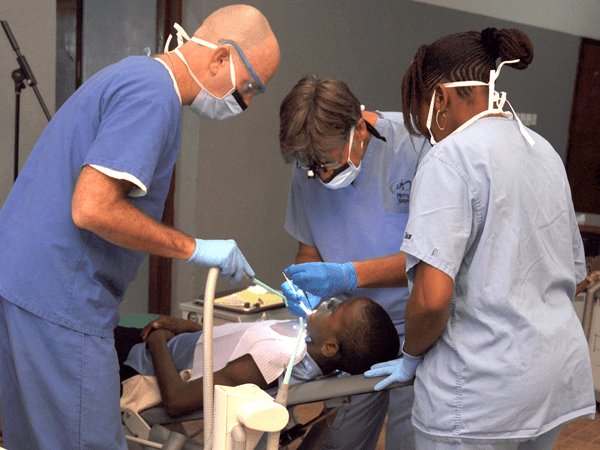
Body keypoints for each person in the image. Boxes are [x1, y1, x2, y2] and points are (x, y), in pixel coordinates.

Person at [0, 5, 280, 449]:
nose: (243, 104)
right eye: (249, 88)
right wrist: (194, 248)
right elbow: (92, 208)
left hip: (22, 288)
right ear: (221, 58)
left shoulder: (134, 75)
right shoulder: (154, 96)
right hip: (61, 302)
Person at [365, 27, 596, 449]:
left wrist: (412, 355)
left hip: (478, 396)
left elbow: (432, 298)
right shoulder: (544, 152)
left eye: (423, 109)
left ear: (441, 96)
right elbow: (574, 274)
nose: (427, 127)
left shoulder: (449, 158)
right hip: (551, 382)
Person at [278, 75, 430, 450]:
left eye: (329, 162)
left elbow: (433, 261)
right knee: (338, 439)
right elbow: (309, 249)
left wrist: (348, 274)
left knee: (409, 441)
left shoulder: (416, 148)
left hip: (422, 328)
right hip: (355, 336)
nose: (322, 175)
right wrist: (303, 296)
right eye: (313, 166)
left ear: (359, 129)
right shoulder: (307, 171)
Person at [115, 296, 399, 417]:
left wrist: (157, 341)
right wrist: (192, 329)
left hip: (139, 363)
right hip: (173, 343)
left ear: (331, 348)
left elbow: (178, 401)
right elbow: (235, 350)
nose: (327, 304)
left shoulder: (279, 356)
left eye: (335, 311)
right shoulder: (309, 348)